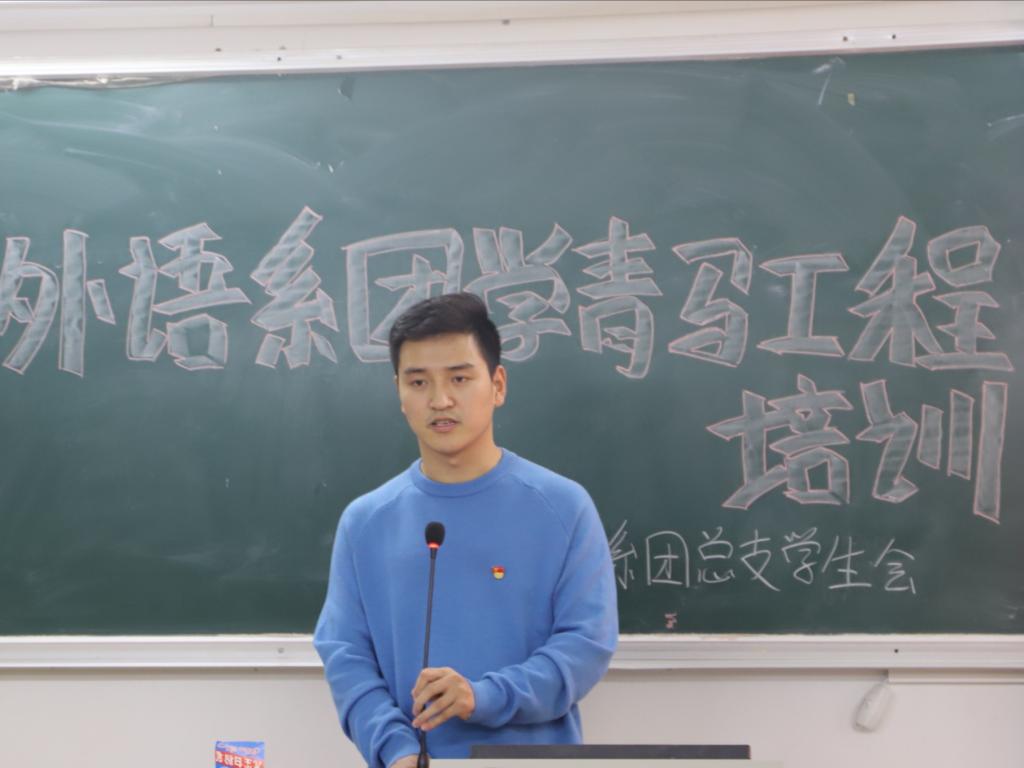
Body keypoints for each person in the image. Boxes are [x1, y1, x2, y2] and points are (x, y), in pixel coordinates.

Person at [313, 292, 618, 768]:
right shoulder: (366, 521)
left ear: (497, 385)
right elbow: (346, 655)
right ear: (400, 393)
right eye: (419, 382)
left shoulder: (562, 507)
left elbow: (585, 646)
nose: (440, 400)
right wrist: (395, 748)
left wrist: (483, 696)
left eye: (459, 378)